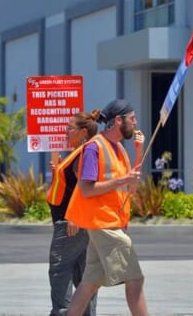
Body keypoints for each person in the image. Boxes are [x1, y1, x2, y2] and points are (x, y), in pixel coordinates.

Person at [64, 99, 147, 316]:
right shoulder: (94, 148)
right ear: (118, 121)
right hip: (104, 223)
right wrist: (122, 180)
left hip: (111, 222)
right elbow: (86, 189)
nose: (136, 123)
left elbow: (132, 186)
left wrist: (139, 153)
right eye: (132, 118)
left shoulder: (119, 148)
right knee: (135, 280)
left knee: (89, 282)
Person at [47, 110, 100, 316]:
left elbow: (83, 187)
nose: (65, 132)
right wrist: (57, 170)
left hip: (71, 223)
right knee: (83, 273)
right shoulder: (80, 153)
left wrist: (73, 216)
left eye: (70, 128)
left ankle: (62, 312)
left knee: (60, 271)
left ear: (83, 131)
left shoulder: (83, 154)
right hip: (78, 222)